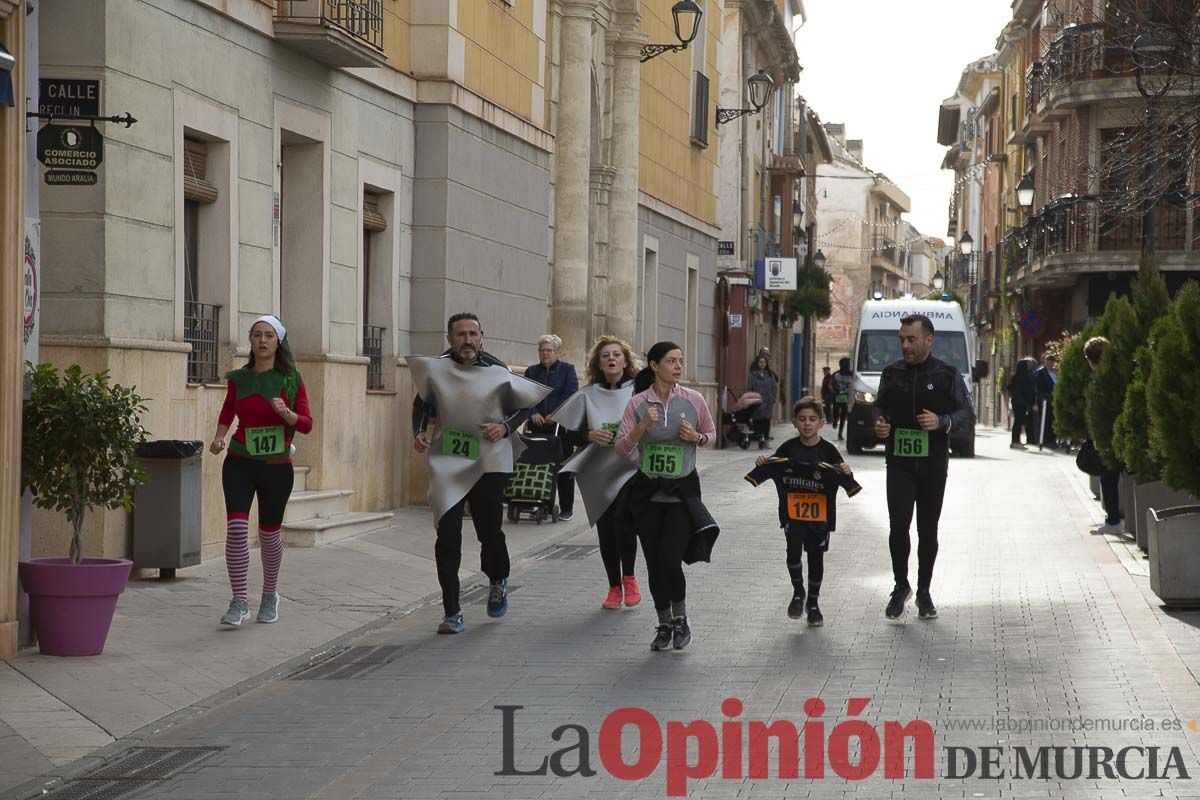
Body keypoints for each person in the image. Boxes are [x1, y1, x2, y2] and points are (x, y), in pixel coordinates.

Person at [410, 313, 549, 634]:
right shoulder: (436, 369)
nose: (467, 340)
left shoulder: (497, 370)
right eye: (461, 334)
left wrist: (505, 426)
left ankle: (498, 578)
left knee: (489, 532)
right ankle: (452, 611)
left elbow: (525, 404)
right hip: (449, 460)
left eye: (473, 334)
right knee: (447, 536)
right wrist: (417, 432)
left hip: (489, 460)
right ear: (450, 339)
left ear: (481, 337)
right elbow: (421, 404)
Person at [210, 315, 313, 627]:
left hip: (276, 467)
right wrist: (219, 436)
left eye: (269, 335)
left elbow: (307, 424)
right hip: (240, 461)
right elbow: (229, 408)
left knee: (269, 535)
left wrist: (288, 414)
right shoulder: (239, 378)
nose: (262, 340)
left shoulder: (291, 378)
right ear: (251, 341)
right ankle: (239, 600)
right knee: (238, 530)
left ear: (278, 342)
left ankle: (270, 594)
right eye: (257, 335)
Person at [616, 341, 717, 651]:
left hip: (681, 493)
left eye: (680, 361)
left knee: (670, 561)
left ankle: (680, 620)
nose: (678, 367)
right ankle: (662, 624)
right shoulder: (636, 404)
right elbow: (622, 449)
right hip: (648, 494)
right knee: (654, 564)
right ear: (654, 365)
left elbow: (712, 436)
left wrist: (695, 437)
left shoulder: (694, 400)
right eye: (671, 361)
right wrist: (642, 425)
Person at [873, 314, 974, 621]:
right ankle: (900, 586)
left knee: (927, 529)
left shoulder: (947, 374)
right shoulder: (892, 374)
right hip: (900, 464)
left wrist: (942, 422)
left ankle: (924, 592)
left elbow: (966, 416)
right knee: (898, 525)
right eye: (901, 339)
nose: (905, 345)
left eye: (911, 339)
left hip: (932, 465)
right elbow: (880, 406)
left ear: (928, 340)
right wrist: (880, 424)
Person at [745, 397, 861, 627]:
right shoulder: (788, 449)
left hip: (821, 518)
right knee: (793, 550)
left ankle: (814, 603)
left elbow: (851, 485)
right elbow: (764, 469)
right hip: (792, 514)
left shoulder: (829, 452)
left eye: (812, 419)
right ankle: (798, 593)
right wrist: (762, 464)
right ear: (794, 423)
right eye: (802, 419)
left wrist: (847, 472)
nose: (807, 424)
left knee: (816, 558)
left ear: (822, 423)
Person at [552, 336, 642, 609]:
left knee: (624, 521)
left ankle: (629, 577)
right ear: (598, 363)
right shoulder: (587, 394)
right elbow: (567, 434)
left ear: (626, 361)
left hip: (629, 466)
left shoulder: (639, 390)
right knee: (605, 529)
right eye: (606, 356)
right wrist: (589, 434)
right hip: (596, 469)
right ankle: (613, 586)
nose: (611, 359)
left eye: (616, 354)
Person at [525, 334, 580, 521]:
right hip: (537, 425)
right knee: (536, 464)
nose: (545, 354)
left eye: (549, 350)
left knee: (563, 466)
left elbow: (570, 394)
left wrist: (555, 414)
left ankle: (566, 507)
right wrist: (533, 412)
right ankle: (536, 501)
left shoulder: (567, 370)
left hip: (561, 426)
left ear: (557, 352)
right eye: (542, 350)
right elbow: (526, 394)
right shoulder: (532, 371)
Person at [1084, 336, 1123, 534]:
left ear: (1091, 360)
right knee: (1112, 477)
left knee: (1108, 478)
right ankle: (1115, 519)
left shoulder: (1101, 379)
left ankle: (1114, 521)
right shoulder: (1117, 373)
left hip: (1108, 435)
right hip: (1119, 432)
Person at [747, 355, 779, 450]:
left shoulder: (770, 375)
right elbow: (750, 388)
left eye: (764, 362)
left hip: (767, 401)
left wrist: (772, 398)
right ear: (757, 363)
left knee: (766, 422)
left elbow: (774, 387)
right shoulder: (753, 375)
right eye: (760, 362)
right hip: (757, 402)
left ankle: (766, 441)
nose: (762, 364)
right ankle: (759, 441)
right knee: (757, 421)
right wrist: (751, 399)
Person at [1007, 358, 1037, 450]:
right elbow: (1027, 392)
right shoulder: (1024, 378)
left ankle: (1015, 441)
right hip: (1021, 403)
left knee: (1018, 422)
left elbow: (1009, 388)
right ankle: (1015, 442)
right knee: (1018, 422)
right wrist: (1032, 403)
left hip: (1016, 402)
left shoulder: (1015, 377)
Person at [1034, 353, 1059, 449]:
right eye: (1048, 361)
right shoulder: (1040, 372)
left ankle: (1052, 439)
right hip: (1045, 401)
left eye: (1052, 361)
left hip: (1053, 400)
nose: (1050, 363)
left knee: (1053, 420)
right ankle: (1044, 440)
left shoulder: (1055, 372)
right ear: (1045, 361)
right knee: (1046, 421)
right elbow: (1038, 387)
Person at [831, 358, 853, 440]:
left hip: (846, 398)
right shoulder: (836, 374)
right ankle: (835, 420)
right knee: (836, 411)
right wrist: (834, 391)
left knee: (844, 416)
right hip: (837, 396)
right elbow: (830, 384)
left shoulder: (851, 375)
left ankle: (840, 433)